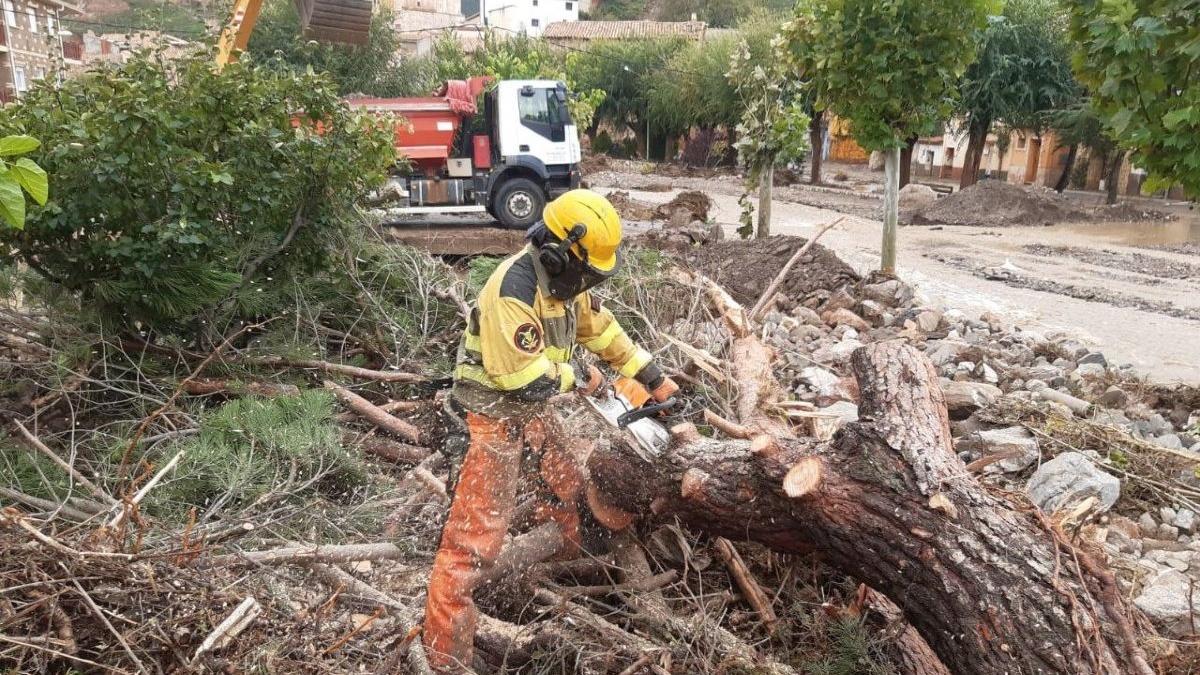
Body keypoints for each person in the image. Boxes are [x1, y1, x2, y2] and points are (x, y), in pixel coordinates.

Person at [422, 189, 678, 671]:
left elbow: (602, 331)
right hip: (492, 420)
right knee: (471, 546)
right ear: (559, 253)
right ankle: (446, 658)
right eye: (587, 270)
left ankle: (559, 573)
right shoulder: (512, 292)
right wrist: (583, 377)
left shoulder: (565, 285)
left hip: (530, 413)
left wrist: (652, 377)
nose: (588, 281)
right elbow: (522, 379)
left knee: (569, 486)